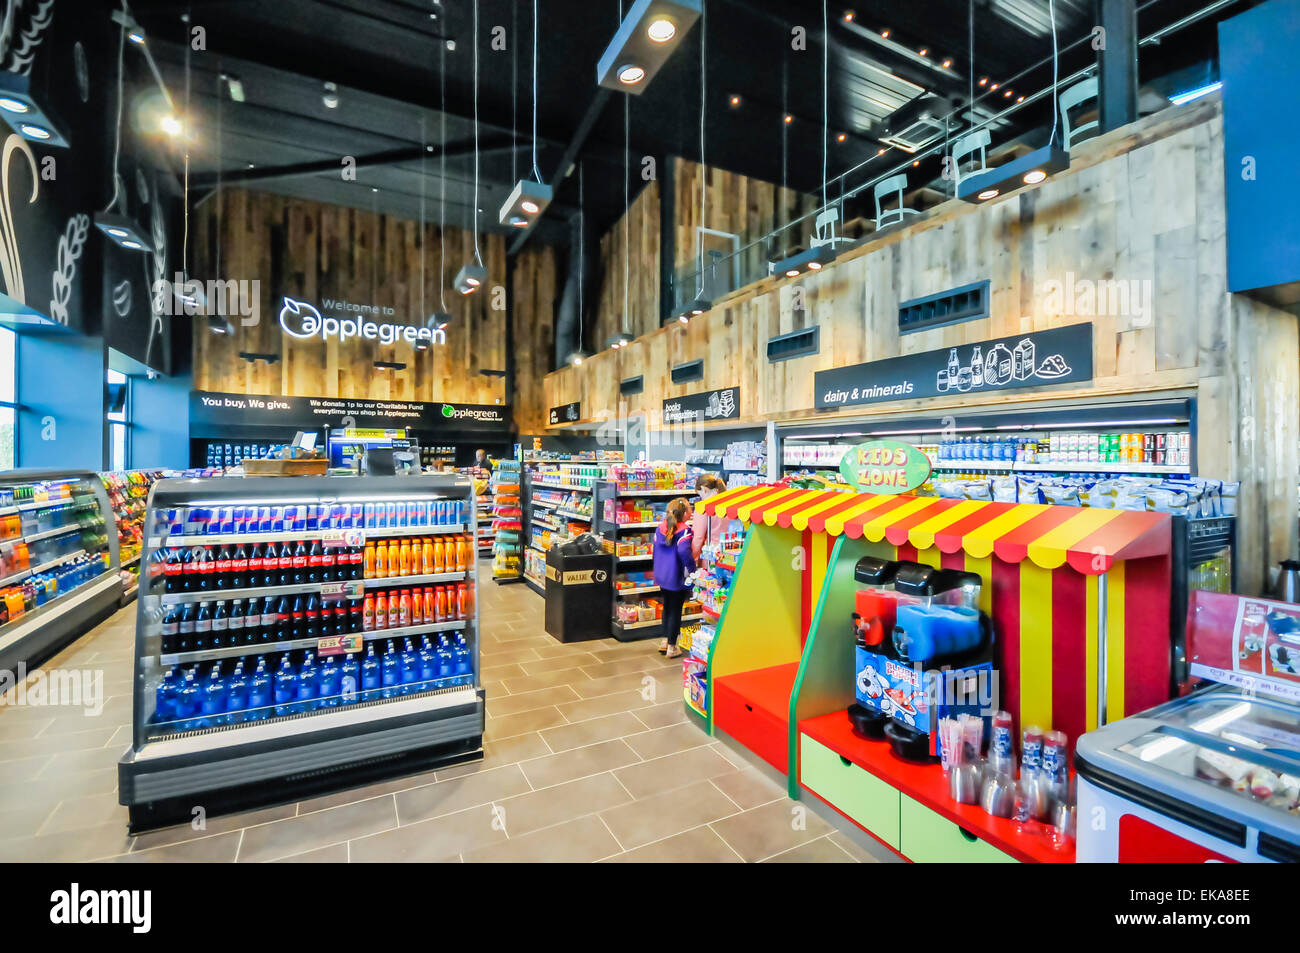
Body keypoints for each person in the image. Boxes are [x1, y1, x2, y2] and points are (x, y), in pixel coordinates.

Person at [653, 497, 696, 659]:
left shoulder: (660, 528)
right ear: (683, 513)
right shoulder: (684, 530)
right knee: (675, 610)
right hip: (676, 576)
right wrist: (692, 571)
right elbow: (684, 551)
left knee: (667, 607)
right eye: (689, 509)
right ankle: (672, 647)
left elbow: (655, 551)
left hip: (662, 575)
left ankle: (665, 641)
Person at [691, 474, 728, 562]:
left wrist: (692, 558)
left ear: (703, 489)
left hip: (710, 554)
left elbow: (698, 538)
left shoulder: (702, 508)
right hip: (728, 552)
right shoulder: (727, 503)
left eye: (699, 494)